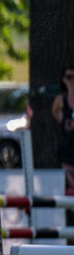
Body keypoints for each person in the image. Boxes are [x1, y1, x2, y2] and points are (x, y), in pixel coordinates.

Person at [52, 64, 74, 195]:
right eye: (69, 77)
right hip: (67, 149)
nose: (72, 80)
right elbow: (58, 117)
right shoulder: (60, 100)